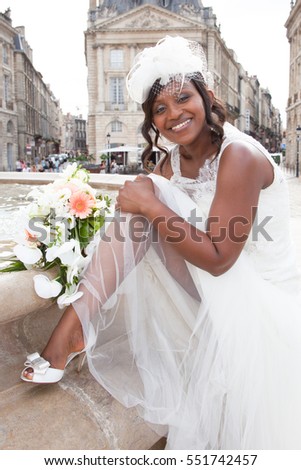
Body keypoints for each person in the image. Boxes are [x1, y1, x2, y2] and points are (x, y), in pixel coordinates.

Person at [20, 36, 301, 450]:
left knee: (147, 195)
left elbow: (221, 258)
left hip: (255, 295)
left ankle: (70, 331)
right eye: (160, 110)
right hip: (217, 284)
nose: (174, 115)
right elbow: (137, 223)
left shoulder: (238, 155)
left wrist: (150, 206)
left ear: (206, 96)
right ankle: (75, 326)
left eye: (183, 98)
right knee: (145, 197)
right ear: (153, 122)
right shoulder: (174, 159)